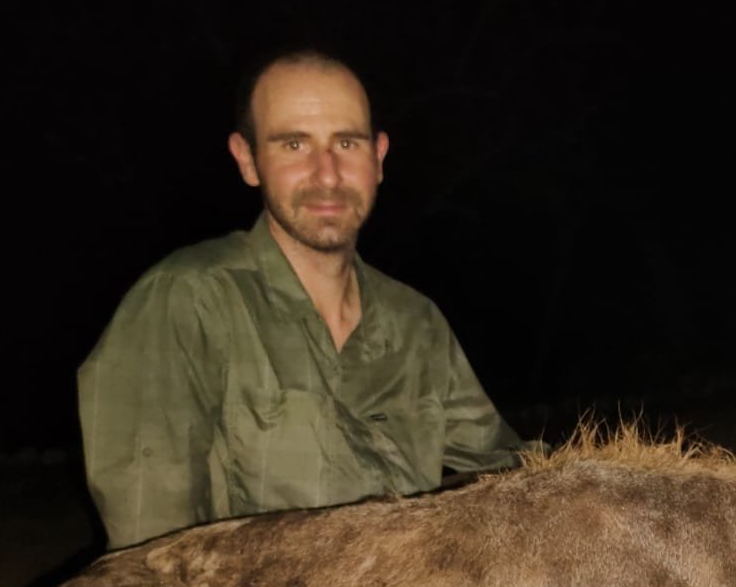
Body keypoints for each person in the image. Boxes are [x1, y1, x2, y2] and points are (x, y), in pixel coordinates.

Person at [78, 46, 529, 548]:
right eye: (294, 145)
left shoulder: (416, 322)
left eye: (346, 143)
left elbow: (512, 470)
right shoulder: (186, 301)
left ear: (378, 158)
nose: (327, 174)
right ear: (247, 160)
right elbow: (150, 550)